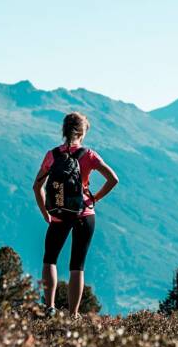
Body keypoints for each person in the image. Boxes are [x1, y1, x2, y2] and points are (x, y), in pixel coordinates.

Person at [32, 112, 118, 316]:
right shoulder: (89, 155)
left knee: (50, 259)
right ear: (83, 132)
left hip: (59, 213)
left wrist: (46, 212)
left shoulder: (52, 155)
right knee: (77, 265)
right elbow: (113, 179)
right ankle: (74, 315)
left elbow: (37, 186)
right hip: (84, 213)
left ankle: (49, 308)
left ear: (63, 131)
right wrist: (94, 198)